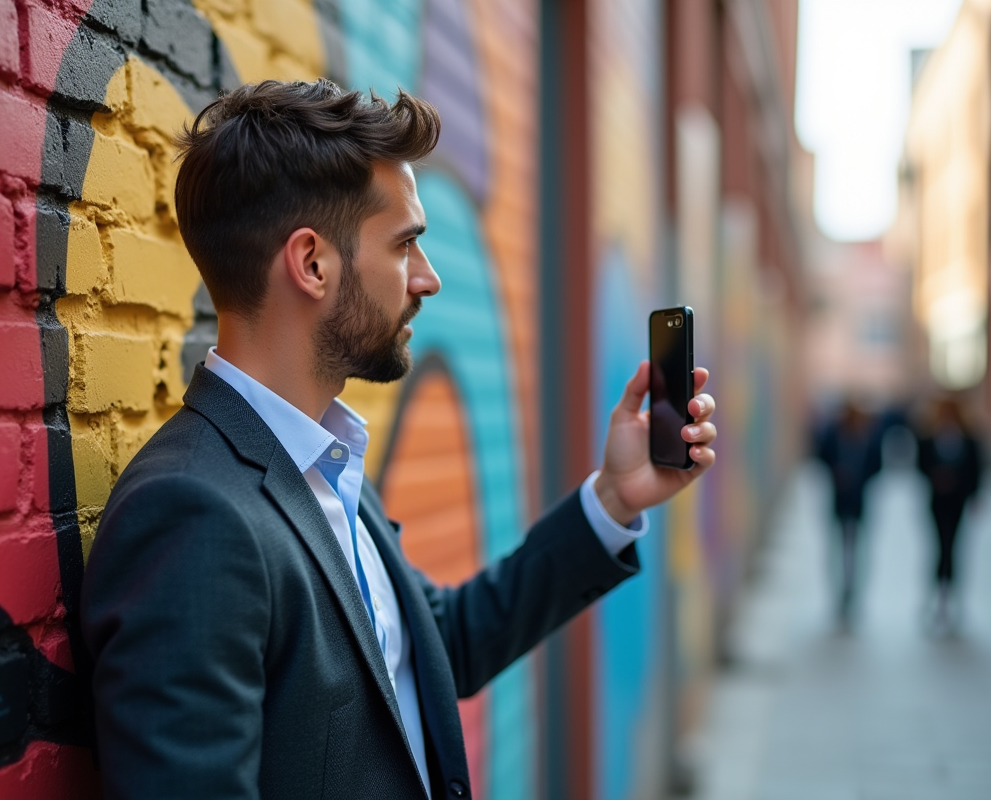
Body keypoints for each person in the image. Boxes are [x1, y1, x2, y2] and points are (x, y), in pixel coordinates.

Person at [80, 79, 717, 800]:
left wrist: (611, 499)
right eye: (406, 244)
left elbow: (428, 649)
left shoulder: (321, 460)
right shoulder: (193, 518)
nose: (431, 279)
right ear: (312, 263)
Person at [914, 395, 982, 631]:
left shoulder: (968, 438)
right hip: (937, 499)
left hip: (958, 499)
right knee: (939, 547)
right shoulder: (929, 436)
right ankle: (937, 598)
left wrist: (971, 492)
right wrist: (936, 477)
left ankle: (951, 598)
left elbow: (976, 468)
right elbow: (920, 465)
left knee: (953, 547)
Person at [815, 398, 882, 626]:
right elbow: (821, 455)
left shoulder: (868, 437)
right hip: (840, 500)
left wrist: (859, 479)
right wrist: (837, 473)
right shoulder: (834, 435)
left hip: (858, 501)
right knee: (838, 548)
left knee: (856, 549)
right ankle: (840, 593)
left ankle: (852, 592)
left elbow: (876, 465)